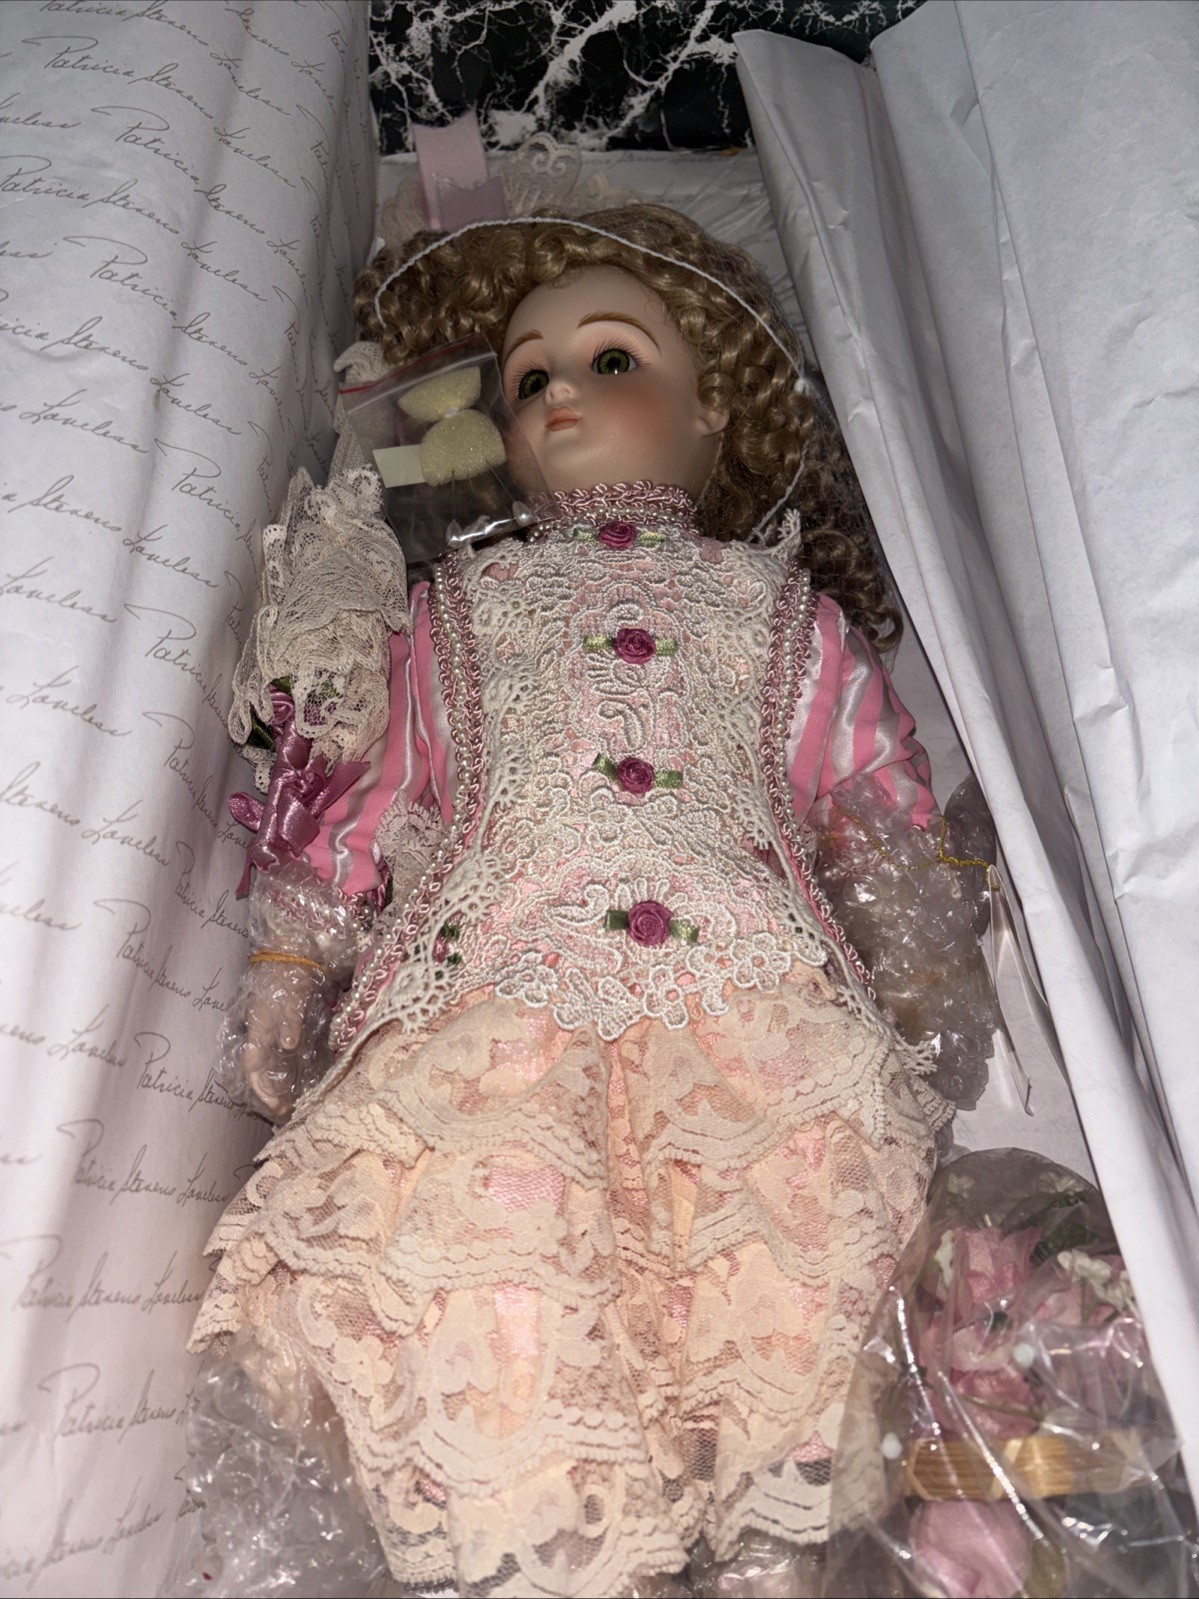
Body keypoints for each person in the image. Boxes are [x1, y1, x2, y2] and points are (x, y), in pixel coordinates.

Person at [185, 205, 995, 1598]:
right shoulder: (457, 609)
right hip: (497, 994)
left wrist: (922, 951)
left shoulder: (780, 612)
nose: (560, 393)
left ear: (710, 409)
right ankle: (551, 1545)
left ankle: (772, 1541)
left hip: (746, 1003)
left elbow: (871, 787)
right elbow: (379, 791)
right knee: (494, 1260)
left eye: (609, 360)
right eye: (527, 381)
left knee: (786, 1247)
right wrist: (292, 952)